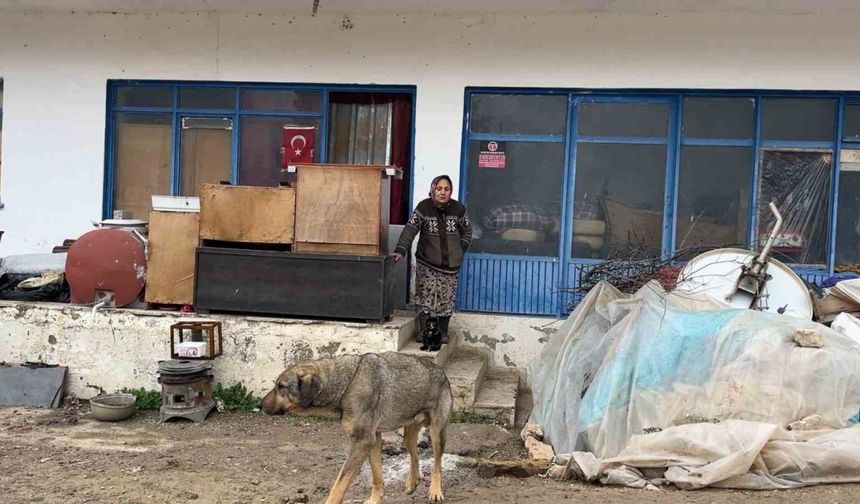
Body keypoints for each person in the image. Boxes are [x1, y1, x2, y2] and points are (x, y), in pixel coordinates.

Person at [393, 175, 472, 345]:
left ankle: (442, 333)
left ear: (451, 191)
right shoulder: (423, 207)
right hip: (427, 262)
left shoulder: (459, 209)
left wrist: (460, 248)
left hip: (451, 265)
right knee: (425, 297)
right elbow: (410, 229)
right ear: (433, 189)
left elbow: (467, 231)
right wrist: (401, 250)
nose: (443, 192)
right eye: (439, 188)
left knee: (446, 298)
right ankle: (424, 332)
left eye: (447, 189)